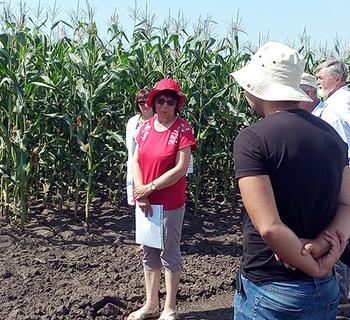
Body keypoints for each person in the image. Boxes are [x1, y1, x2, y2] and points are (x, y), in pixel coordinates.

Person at [231, 42, 350, 319]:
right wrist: (325, 253)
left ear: (256, 88)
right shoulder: (333, 138)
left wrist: (312, 265)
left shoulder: (253, 139)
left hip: (271, 288)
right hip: (325, 287)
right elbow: (347, 204)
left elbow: (270, 227)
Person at [127, 78, 196, 320]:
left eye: (170, 101)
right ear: (153, 102)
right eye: (160, 100)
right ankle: (150, 304)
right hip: (145, 201)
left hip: (169, 202)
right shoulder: (145, 127)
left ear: (177, 104)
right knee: (149, 252)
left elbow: (180, 168)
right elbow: (135, 160)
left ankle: (169, 308)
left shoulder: (183, 129)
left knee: (169, 252)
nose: (164, 106)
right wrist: (140, 191)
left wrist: (151, 187)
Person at [126, 89, 154, 206]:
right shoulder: (133, 122)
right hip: (137, 165)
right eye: (141, 102)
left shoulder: (161, 121)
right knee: (140, 203)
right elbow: (130, 147)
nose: (145, 105)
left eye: (148, 102)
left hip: (153, 167)